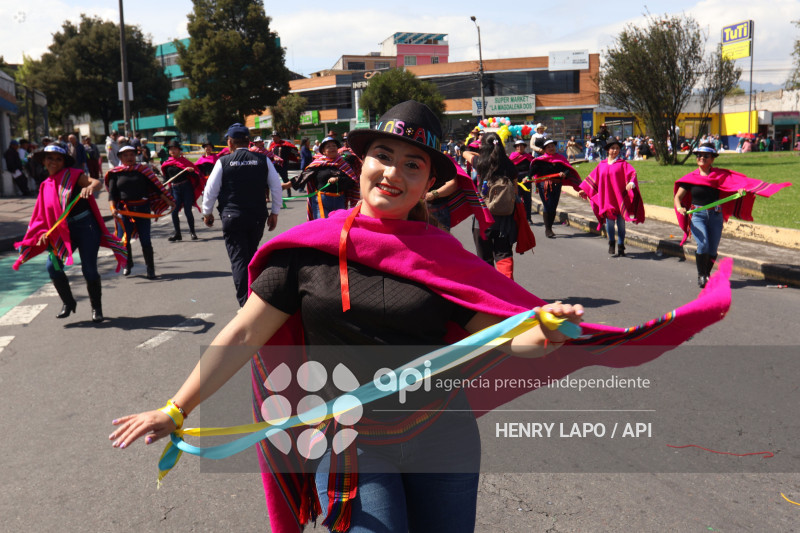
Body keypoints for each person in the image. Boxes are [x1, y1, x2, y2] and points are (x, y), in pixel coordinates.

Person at [110, 100, 735, 533]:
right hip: (351, 443)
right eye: (385, 155)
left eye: (415, 165)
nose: (396, 173)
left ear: (429, 181)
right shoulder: (307, 253)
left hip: (444, 437)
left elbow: (486, 341)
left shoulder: (443, 255)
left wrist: (541, 334)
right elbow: (245, 332)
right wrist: (175, 408)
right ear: (362, 163)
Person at [13, 143, 126, 322]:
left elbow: (95, 182)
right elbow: (42, 216)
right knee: (52, 266)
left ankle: (97, 309)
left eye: (59, 159)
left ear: (64, 162)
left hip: (86, 227)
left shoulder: (73, 175)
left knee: (89, 270)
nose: (54, 162)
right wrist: (43, 233)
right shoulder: (44, 185)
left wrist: (91, 187)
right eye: (50, 158)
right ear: (44, 160)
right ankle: (68, 302)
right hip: (63, 232)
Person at [674, 143, 791, 288]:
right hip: (698, 215)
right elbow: (678, 197)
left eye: (706, 156)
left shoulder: (720, 175)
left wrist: (740, 191)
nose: (701, 158)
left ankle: (707, 274)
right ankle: (701, 275)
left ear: (712, 159)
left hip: (716, 215)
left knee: (712, 248)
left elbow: (737, 183)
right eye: (699, 155)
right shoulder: (690, 178)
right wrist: (679, 208)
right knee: (703, 244)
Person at [201, 123, 283, 307]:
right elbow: (276, 187)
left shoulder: (223, 162)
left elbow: (210, 190)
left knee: (239, 259)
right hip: (257, 216)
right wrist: (275, 212)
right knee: (251, 256)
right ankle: (256, 298)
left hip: (232, 217)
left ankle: (246, 304)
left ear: (229, 142)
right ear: (248, 141)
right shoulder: (263, 160)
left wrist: (207, 213)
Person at [106, 145, 175, 279]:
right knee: (125, 241)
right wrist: (113, 209)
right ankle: (128, 263)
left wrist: (169, 202)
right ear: (120, 158)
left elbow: (157, 189)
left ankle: (150, 269)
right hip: (125, 211)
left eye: (131, 154)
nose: (129, 157)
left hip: (142, 209)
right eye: (125, 155)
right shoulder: (115, 173)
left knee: (145, 240)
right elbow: (112, 195)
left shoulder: (143, 171)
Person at [468, 132, 525, 278]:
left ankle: (491, 293)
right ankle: (507, 289)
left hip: (483, 218)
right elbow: (515, 191)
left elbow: (465, 153)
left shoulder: (479, 163)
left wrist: (477, 147)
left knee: (484, 258)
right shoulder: (510, 166)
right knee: (503, 254)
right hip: (506, 218)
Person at [579, 137, 645, 257]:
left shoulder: (623, 164)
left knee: (621, 223)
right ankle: (611, 242)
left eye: (617, 148)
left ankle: (620, 246)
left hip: (620, 199)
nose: (615, 151)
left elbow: (632, 174)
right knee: (609, 223)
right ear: (608, 150)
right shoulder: (601, 165)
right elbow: (593, 179)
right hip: (607, 199)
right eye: (612, 148)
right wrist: (584, 190)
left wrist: (631, 182)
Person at [292, 136, 359, 220]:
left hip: (340, 201)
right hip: (321, 201)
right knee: (323, 226)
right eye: (328, 146)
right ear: (323, 151)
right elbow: (302, 177)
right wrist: (285, 185)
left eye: (334, 146)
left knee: (339, 225)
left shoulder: (344, 164)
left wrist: (338, 179)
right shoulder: (317, 164)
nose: (332, 148)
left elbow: (352, 182)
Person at [528, 139, 582, 238]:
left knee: (553, 206)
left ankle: (550, 227)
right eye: (548, 147)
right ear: (544, 149)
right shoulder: (540, 160)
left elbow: (568, 170)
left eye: (552, 146)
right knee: (547, 205)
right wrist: (527, 177)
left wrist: (564, 174)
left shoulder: (560, 159)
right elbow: (533, 170)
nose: (551, 148)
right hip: (543, 185)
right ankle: (548, 229)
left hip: (557, 185)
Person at [160, 140, 203, 241]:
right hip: (175, 189)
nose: (173, 151)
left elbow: (196, 175)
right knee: (174, 211)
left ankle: (192, 232)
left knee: (188, 210)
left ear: (179, 150)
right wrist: (162, 185)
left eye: (175, 149)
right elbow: (166, 178)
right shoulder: (166, 164)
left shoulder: (185, 162)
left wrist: (192, 171)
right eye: (171, 149)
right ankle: (177, 233)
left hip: (186, 188)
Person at [509, 139, 533, 223]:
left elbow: (532, 168)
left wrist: (528, 176)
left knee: (527, 199)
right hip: (516, 179)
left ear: (525, 147)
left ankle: (528, 217)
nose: (520, 147)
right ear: (515, 148)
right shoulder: (512, 157)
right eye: (518, 146)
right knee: (516, 199)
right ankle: (517, 217)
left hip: (526, 179)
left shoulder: (529, 157)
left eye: (521, 145)